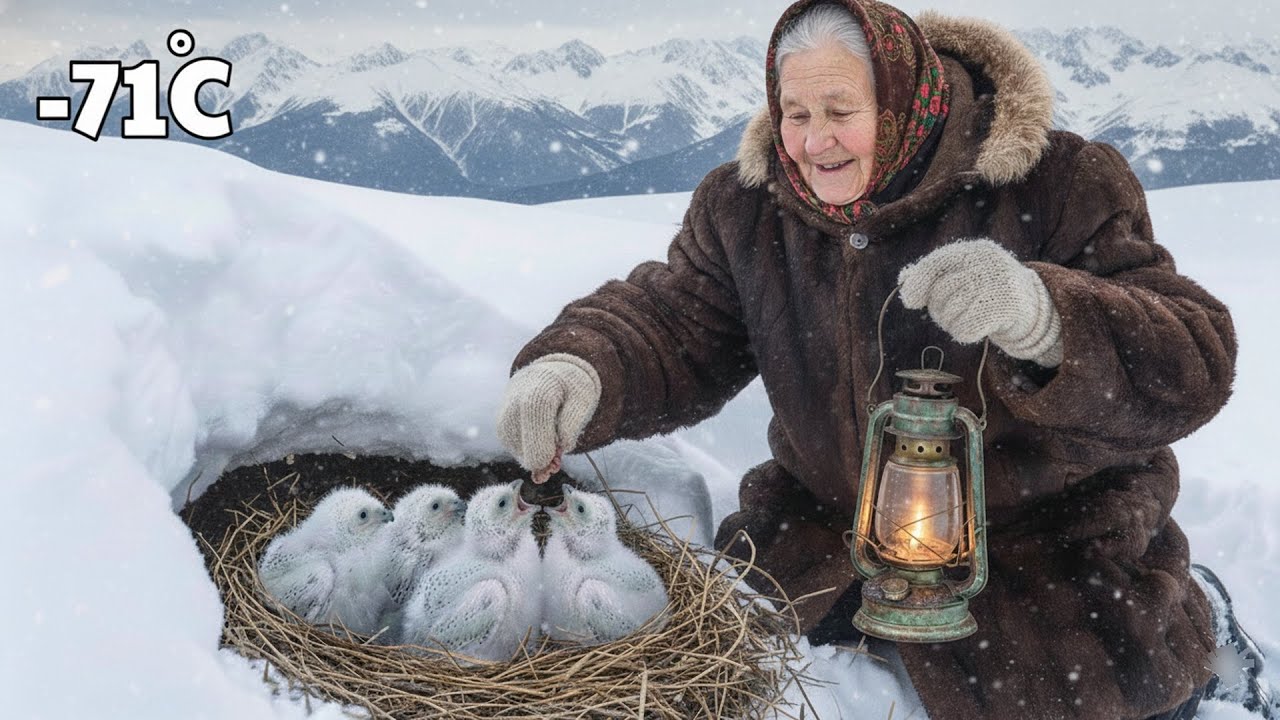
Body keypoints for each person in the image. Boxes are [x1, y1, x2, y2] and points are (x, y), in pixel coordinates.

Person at [496, 1, 1249, 718]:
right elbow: (675, 321)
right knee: (731, 689)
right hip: (820, 545)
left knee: (1107, 696)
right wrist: (582, 368)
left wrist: (1043, 317)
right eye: (795, 114)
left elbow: (1195, 362)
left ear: (903, 102)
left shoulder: (1056, 184)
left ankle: (1216, 635)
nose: (813, 142)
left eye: (840, 111)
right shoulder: (748, 207)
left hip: (1048, 561)